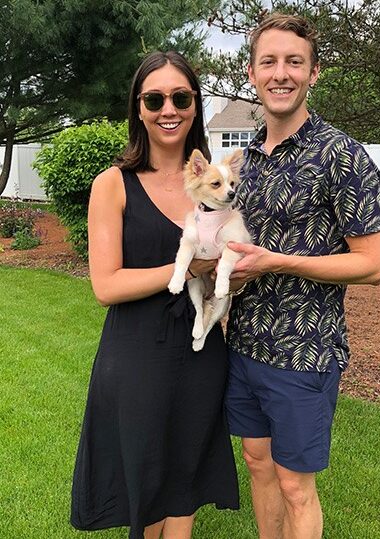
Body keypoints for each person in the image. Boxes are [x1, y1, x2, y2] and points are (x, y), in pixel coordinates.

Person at [224, 13, 380, 539]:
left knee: (297, 486)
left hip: (304, 352)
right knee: (257, 464)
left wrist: (277, 261)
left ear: (313, 73)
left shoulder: (342, 156)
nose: (281, 73)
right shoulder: (246, 157)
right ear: (251, 74)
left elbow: (372, 264)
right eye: (268, 61)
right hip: (245, 342)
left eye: (294, 62)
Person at [70, 51, 239, 539]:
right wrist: (186, 268)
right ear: (139, 108)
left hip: (201, 354)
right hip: (137, 356)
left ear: (195, 105)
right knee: (145, 493)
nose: (169, 108)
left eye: (181, 97)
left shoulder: (216, 185)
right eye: (155, 98)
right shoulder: (113, 184)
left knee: (184, 486)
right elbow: (106, 285)